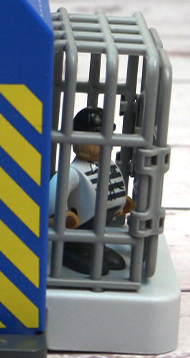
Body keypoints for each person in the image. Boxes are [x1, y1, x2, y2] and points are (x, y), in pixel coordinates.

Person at [49, 107, 134, 275]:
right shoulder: (73, 171)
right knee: (82, 242)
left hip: (101, 222)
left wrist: (120, 204)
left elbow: (111, 184)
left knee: (99, 238)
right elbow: (54, 192)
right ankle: (74, 251)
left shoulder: (107, 164)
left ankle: (97, 247)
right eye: (94, 139)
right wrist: (60, 215)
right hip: (81, 222)